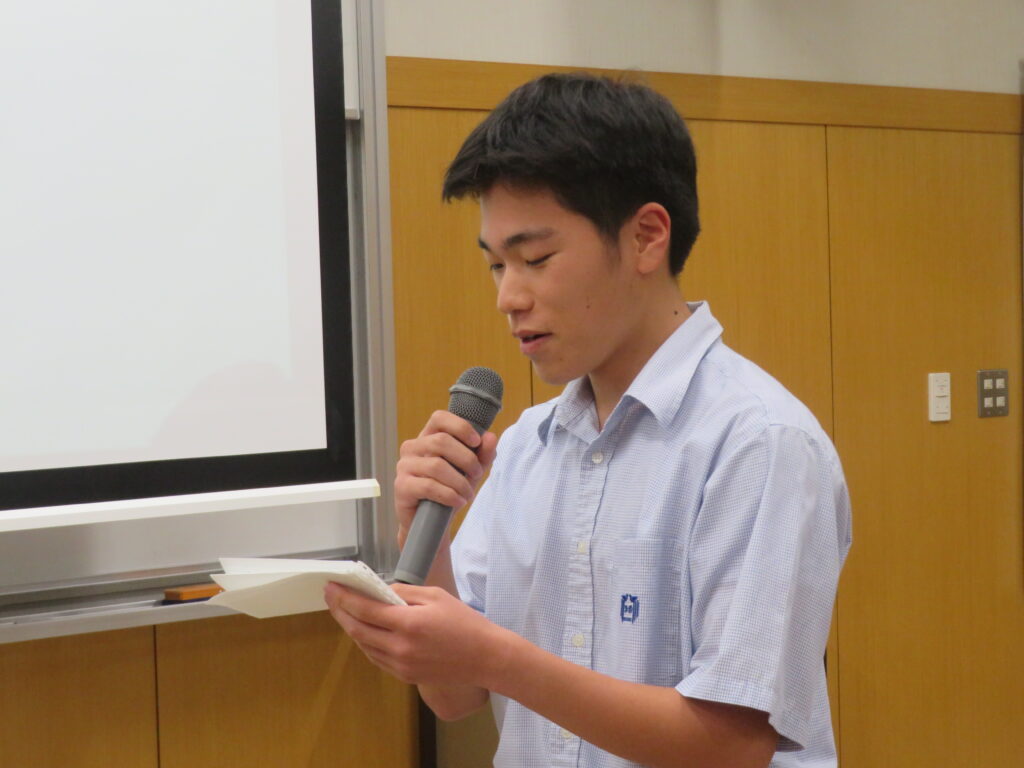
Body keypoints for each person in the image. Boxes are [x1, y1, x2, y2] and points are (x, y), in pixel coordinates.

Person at [325, 72, 852, 768]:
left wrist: (498, 657)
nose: (508, 298)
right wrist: (430, 546)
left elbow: (730, 744)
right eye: (496, 266)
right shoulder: (526, 447)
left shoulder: (758, 442)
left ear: (646, 238)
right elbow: (455, 696)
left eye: (535, 258)